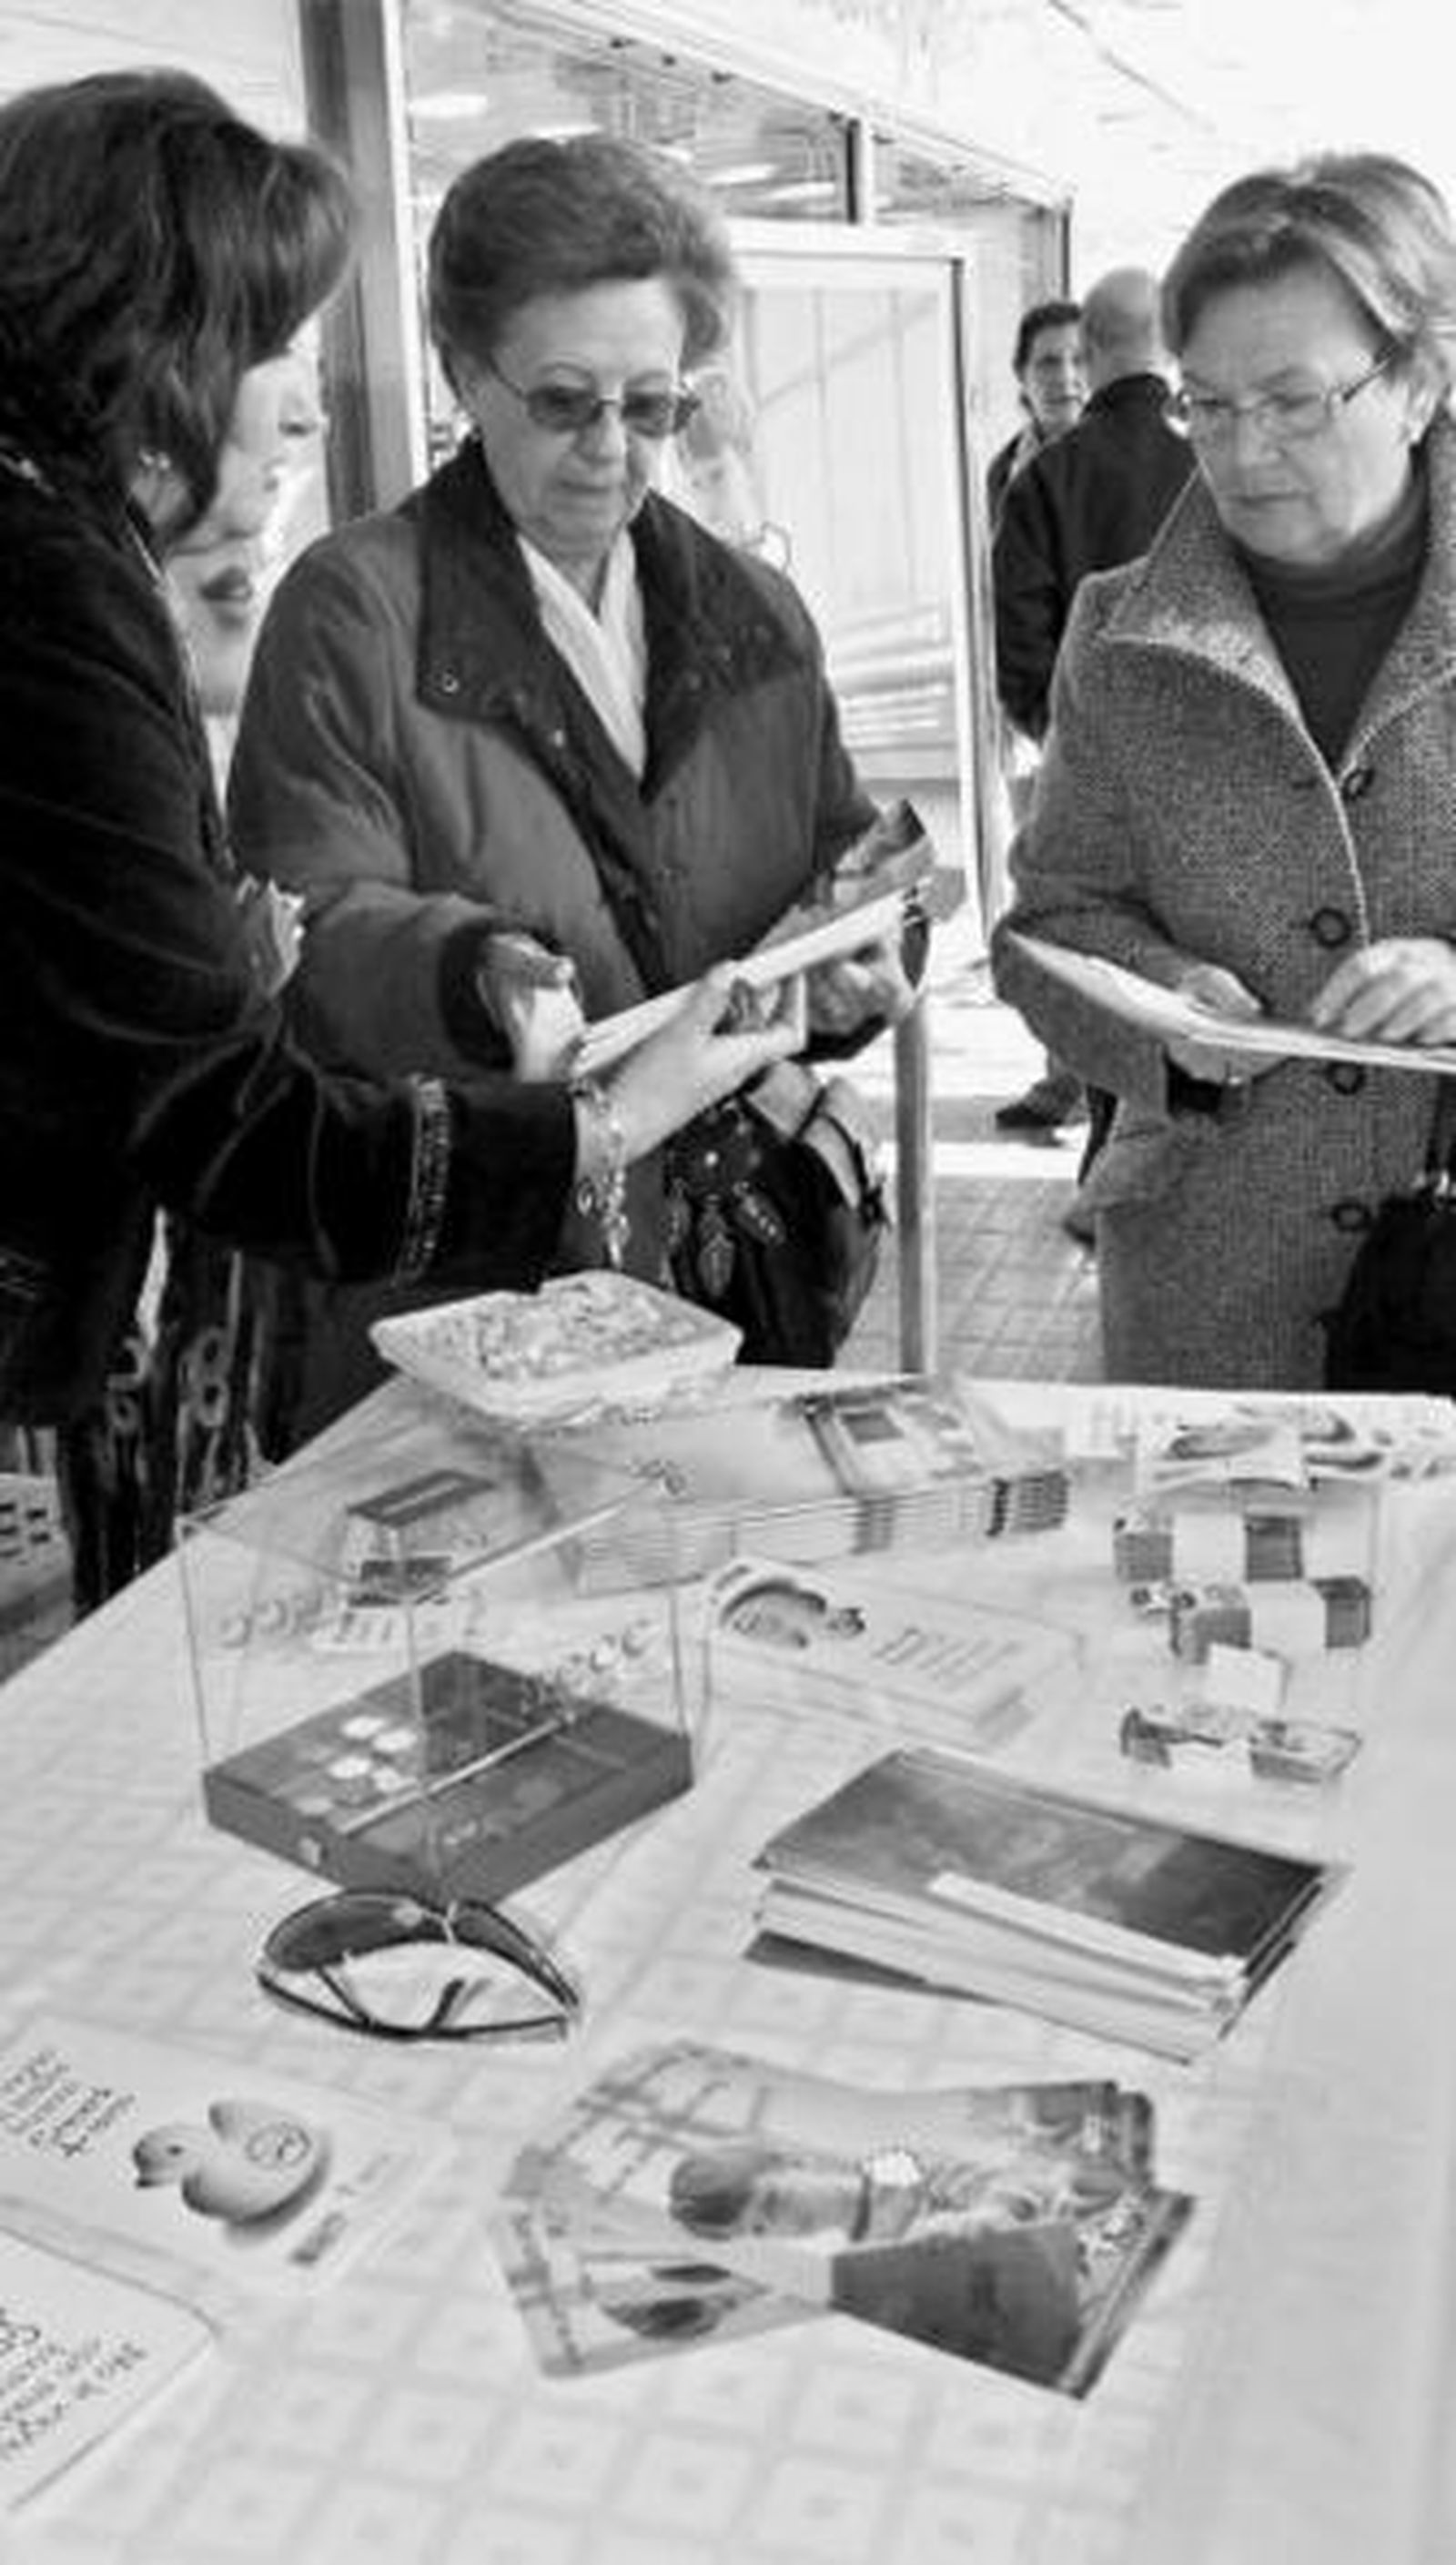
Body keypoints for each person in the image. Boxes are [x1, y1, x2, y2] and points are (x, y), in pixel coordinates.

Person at [0, 69, 802, 1605]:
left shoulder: (750, 608)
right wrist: (563, 1082)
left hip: (688, 1251)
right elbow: (229, 1105)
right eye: (269, 346)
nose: (306, 403)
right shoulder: (97, 593)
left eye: (654, 405)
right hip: (415, 1279)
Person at [228, 130, 915, 1447]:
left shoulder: (755, 613)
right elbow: (312, 920)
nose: (609, 448)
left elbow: (839, 859)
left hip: (727, 1278)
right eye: (561, 402)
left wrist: (859, 964)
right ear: (462, 375)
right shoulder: (355, 609)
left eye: (651, 407)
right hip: (477, 1290)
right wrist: (474, 971)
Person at [992, 153, 1456, 1388]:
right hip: (1210, 1293)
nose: (1244, 453)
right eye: (1206, 403)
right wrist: (1168, 1006)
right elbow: (1047, 931)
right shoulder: (1118, 636)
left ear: (1418, 382)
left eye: (1295, 402)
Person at [992, 268, 1196, 1209]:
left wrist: (1070, 748)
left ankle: (1113, 1165)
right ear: (1166, 344)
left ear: (1096, 350)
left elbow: (1018, 648)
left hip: (1088, 785)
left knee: (1104, 974)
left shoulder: (1047, 478)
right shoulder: (1212, 466)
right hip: (1214, 790)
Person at [984, 298, 1087, 1135]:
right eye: (1048, 361)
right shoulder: (1005, 469)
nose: (1066, 377)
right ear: (1022, 375)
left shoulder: (1116, 466)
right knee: (1043, 901)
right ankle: (1062, 1073)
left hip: (1089, 726)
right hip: (1026, 724)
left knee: (1098, 905)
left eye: (1079, 359)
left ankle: (1091, 1082)